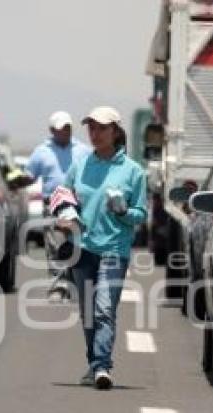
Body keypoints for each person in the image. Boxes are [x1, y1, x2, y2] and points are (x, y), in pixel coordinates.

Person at [57, 106, 147, 390]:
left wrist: (123, 212)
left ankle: (102, 367)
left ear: (115, 132)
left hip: (114, 250)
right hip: (81, 249)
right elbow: (63, 195)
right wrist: (65, 217)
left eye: (102, 128)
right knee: (87, 312)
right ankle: (94, 362)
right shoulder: (80, 165)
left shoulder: (134, 172)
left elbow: (141, 215)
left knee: (104, 309)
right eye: (91, 128)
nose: (95, 134)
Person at [26, 111, 91, 300]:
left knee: (77, 246)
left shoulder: (83, 150)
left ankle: (73, 283)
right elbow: (30, 175)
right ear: (52, 130)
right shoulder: (41, 151)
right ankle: (58, 287)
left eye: (68, 128)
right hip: (52, 205)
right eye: (61, 129)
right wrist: (14, 180)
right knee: (56, 246)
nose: (65, 132)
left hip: (77, 205)